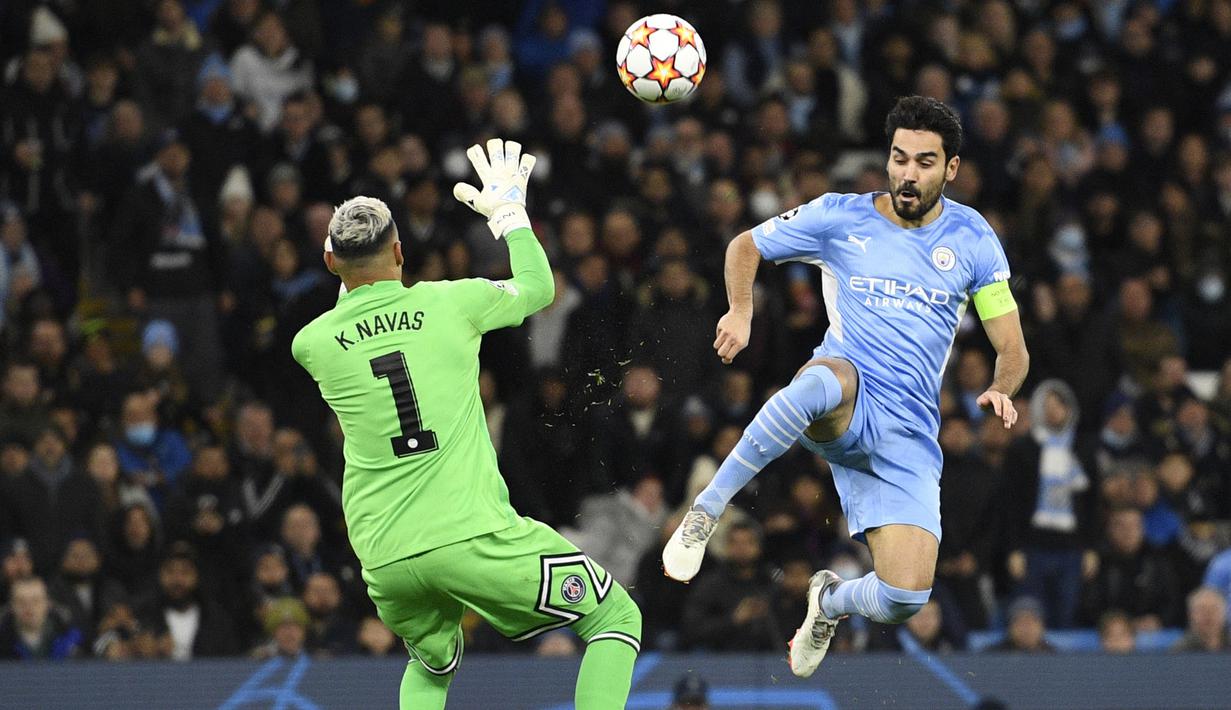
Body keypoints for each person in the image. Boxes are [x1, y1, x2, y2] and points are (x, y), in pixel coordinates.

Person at [662, 96, 1029, 677]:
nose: (909, 174)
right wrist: (740, 310)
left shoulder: (975, 240)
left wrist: (1002, 387)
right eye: (899, 158)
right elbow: (745, 246)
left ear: (951, 169)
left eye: (926, 162)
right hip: (846, 396)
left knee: (905, 597)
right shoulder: (840, 216)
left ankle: (828, 601)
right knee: (824, 379)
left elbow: (1012, 348)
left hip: (908, 432)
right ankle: (705, 513)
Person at [291, 140, 640, 709]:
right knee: (615, 616)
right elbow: (539, 288)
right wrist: (510, 216)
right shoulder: (453, 303)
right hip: (468, 536)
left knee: (433, 660)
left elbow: (350, 307)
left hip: (384, 555)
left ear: (330, 261)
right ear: (400, 253)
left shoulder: (312, 344)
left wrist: (347, 260)